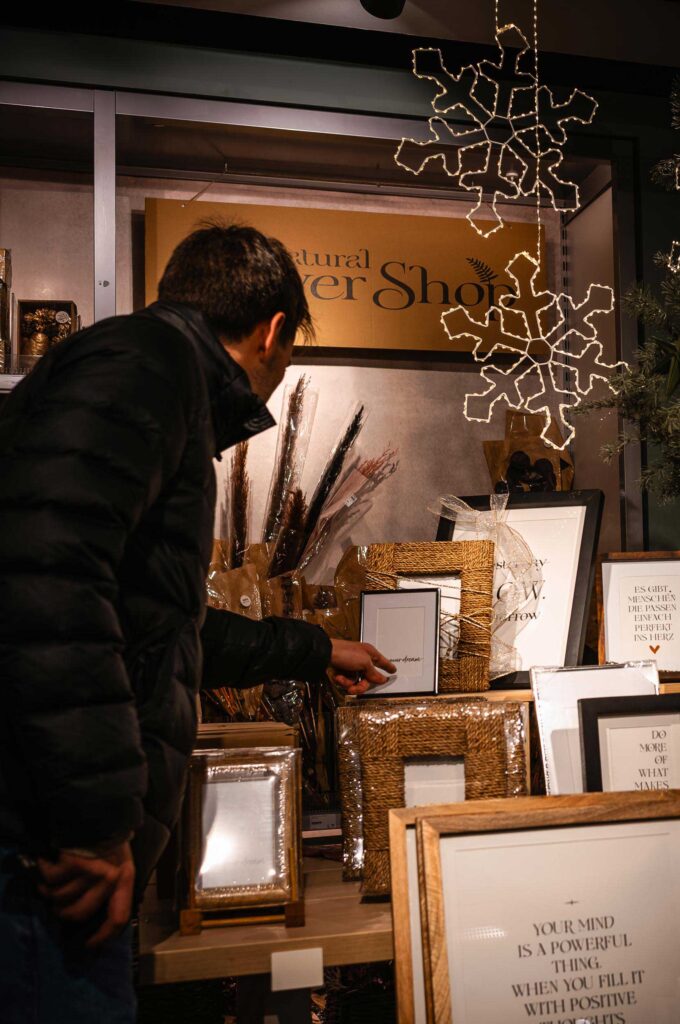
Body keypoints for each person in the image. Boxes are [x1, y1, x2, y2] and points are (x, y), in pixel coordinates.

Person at [0, 223, 394, 1023]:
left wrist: (313, 648)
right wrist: (95, 824)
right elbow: (46, 586)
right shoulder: (146, 370)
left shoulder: (140, 371)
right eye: (287, 359)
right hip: (47, 853)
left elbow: (155, 626)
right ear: (273, 332)